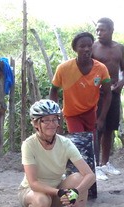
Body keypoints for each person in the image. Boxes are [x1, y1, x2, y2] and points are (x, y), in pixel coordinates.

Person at [19, 99, 100, 207]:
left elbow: (90, 175)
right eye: (46, 121)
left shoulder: (65, 143)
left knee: (81, 178)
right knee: (41, 202)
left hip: (58, 189)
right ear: (36, 124)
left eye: (54, 119)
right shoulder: (29, 145)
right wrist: (59, 192)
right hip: (32, 191)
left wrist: (75, 191)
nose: (52, 124)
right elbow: (33, 183)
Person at [49, 32, 112, 181]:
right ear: (75, 49)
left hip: (91, 112)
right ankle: (78, 178)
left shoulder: (100, 68)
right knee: (77, 145)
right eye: (82, 46)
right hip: (72, 114)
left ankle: (92, 173)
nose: (86, 49)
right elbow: (53, 91)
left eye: (89, 45)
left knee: (91, 144)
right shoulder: (64, 69)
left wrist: (102, 117)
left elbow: (108, 93)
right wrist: (56, 114)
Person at [92, 17, 124, 180]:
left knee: (110, 128)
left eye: (103, 30)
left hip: (113, 93)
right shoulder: (93, 48)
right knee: (98, 126)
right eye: (97, 30)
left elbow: (123, 69)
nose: (99, 33)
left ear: (111, 30)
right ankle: (95, 165)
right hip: (97, 93)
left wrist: (122, 81)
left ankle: (105, 163)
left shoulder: (120, 48)